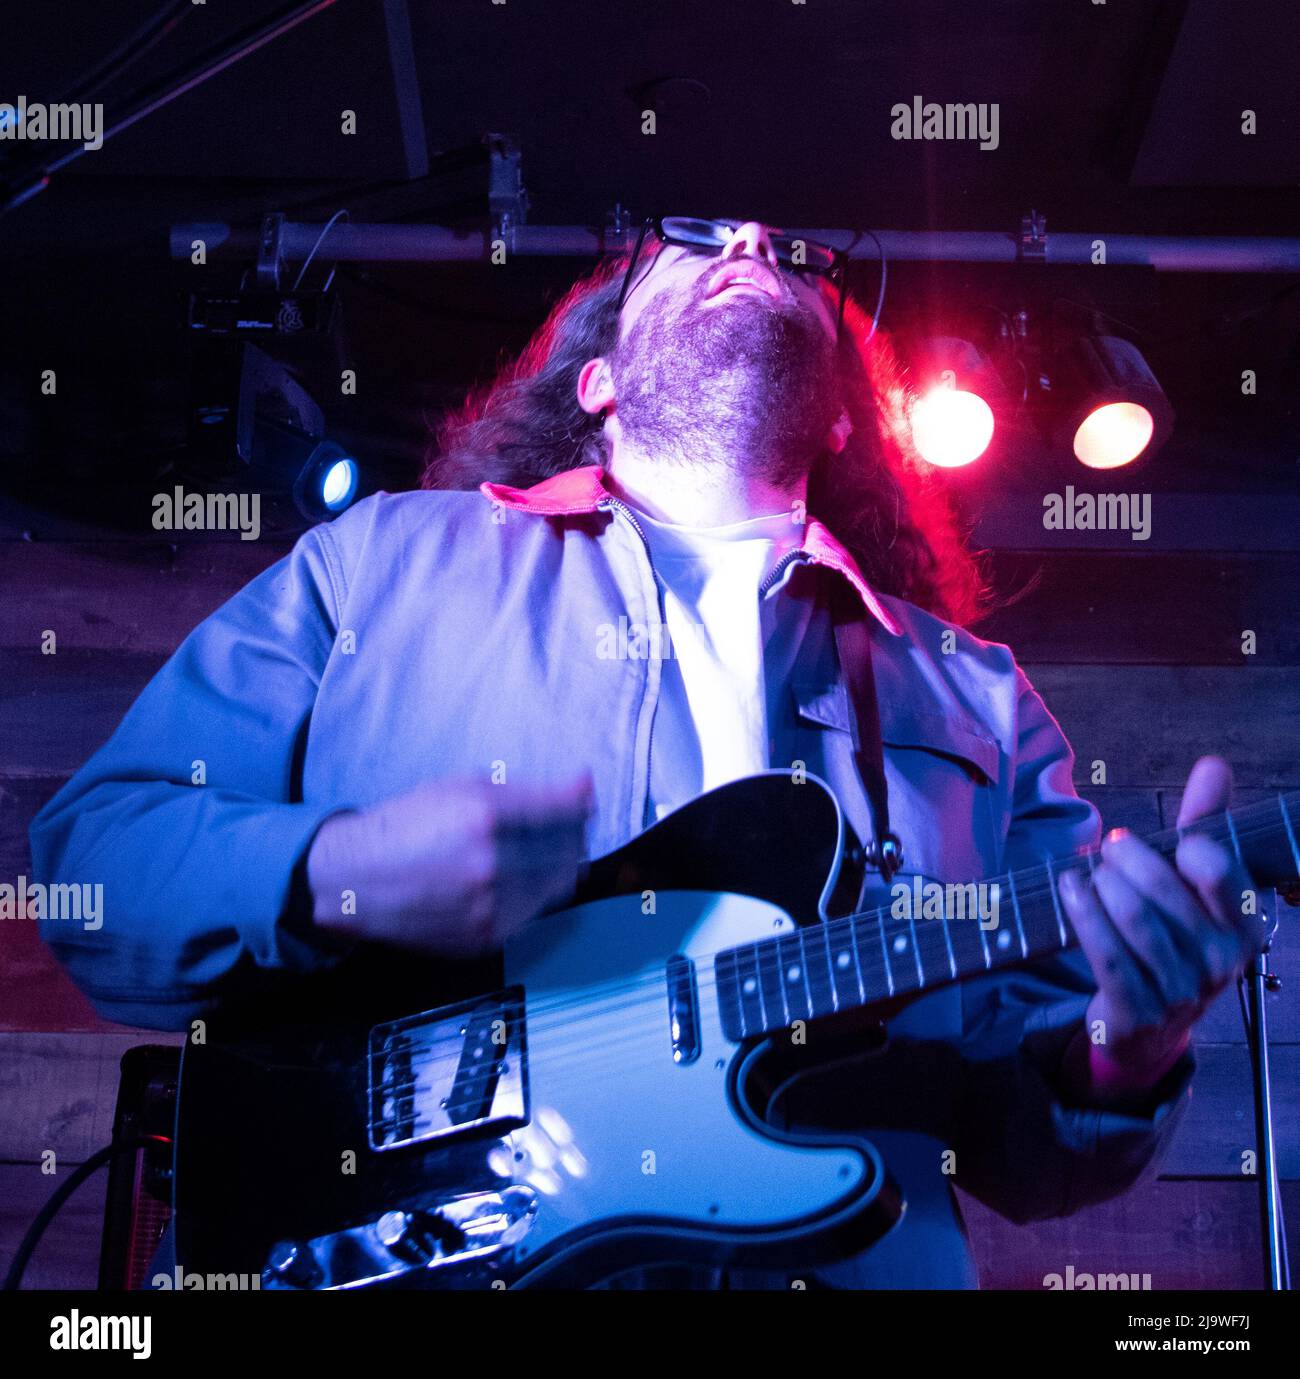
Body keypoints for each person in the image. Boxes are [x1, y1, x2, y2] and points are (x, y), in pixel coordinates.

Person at [31, 219, 1260, 1288]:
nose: (748, 247)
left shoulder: (976, 695)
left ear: (839, 411)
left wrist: (1127, 1049)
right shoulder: (382, 562)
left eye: (787, 252)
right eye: (697, 241)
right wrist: (335, 865)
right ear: (601, 379)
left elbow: (1017, 1139)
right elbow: (95, 863)